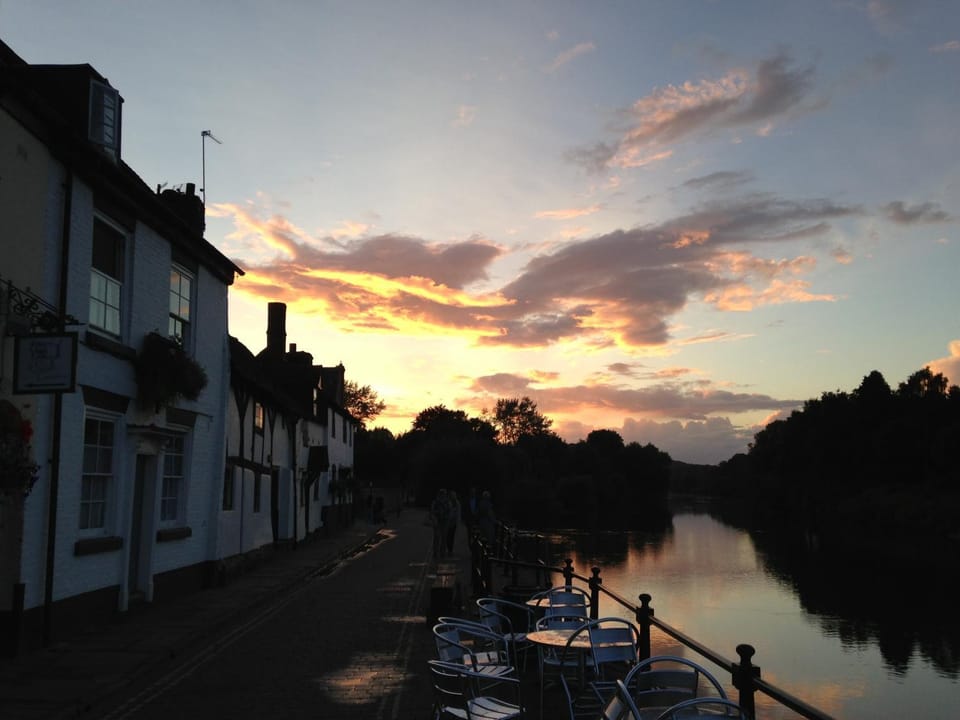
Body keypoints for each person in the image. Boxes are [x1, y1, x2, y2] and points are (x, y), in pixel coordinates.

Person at [430, 488, 450, 560]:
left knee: (443, 538)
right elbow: (432, 511)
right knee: (437, 538)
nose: (443, 495)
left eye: (444, 494)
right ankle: (436, 552)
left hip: (444, 521)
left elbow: (449, 511)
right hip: (438, 521)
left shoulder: (447, 502)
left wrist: (446, 516)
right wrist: (437, 513)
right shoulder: (436, 502)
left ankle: (442, 553)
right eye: (442, 494)